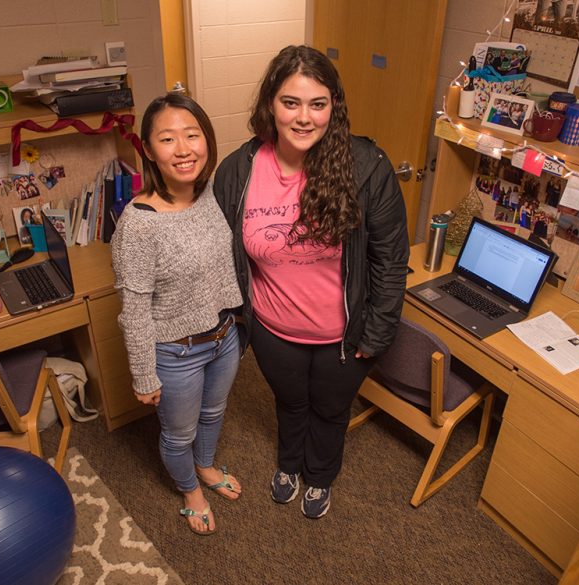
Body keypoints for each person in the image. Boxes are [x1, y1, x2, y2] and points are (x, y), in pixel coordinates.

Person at [214, 45, 409, 519]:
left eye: (317, 104)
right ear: (270, 105)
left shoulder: (366, 166)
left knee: (329, 409)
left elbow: (390, 259)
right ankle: (288, 465)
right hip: (272, 330)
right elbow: (221, 254)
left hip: (345, 336)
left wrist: (378, 331)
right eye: (291, 103)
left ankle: (320, 477)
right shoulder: (239, 170)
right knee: (290, 402)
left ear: (333, 107)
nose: (304, 118)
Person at [110, 93, 244, 536]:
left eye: (193, 135)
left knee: (214, 413)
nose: (184, 149)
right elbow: (133, 309)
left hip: (224, 337)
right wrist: (144, 375)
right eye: (168, 139)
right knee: (178, 434)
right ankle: (190, 491)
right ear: (148, 150)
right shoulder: (138, 223)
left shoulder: (209, 193)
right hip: (177, 352)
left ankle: (205, 467)